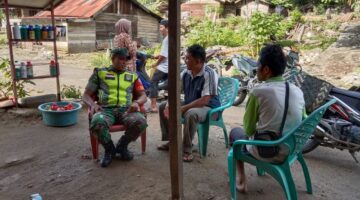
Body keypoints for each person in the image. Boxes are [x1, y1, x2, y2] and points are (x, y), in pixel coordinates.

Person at [229, 44, 305, 192]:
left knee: (235, 132)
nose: (256, 69)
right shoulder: (297, 91)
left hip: (268, 152)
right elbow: (302, 119)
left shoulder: (259, 92)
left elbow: (249, 130)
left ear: (266, 70)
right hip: (291, 149)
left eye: (258, 65)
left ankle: (241, 180)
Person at [82, 47, 148, 168]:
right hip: (106, 110)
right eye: (121, 59)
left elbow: (143, 95)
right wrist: (93, 104)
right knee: (97, 123)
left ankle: (122, 147)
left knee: (141, 122)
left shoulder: (132, 75)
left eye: (126, 59)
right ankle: (109, 150)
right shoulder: (100, 73)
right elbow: (86, 95)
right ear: (113, 59)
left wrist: (137, 103)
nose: (124, 62)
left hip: (127, 110)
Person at [157, 44, 221, 162]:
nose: (185, 61)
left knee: (190, 113)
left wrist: (183, 108)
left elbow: (204, 100)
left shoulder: (209, 74)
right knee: (162, 106)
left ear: (198, 61)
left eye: (188, 58)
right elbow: (176, 90)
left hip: (210, 109)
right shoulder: (186, 72)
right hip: (191, 103)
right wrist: (168, 104)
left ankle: (187, 149)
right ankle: (172, 141)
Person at [149, 19, 169, 112]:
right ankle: (167, 105)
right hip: (169, 66)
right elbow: (165, 54)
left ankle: (153, 106)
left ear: (167, 28)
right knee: (168, 85)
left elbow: (164, 56)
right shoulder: (169, 38)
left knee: (153, 82)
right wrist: (157, 56)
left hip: (164, 67)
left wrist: (155, 64)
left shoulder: (166, 40)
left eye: (161, 27)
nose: (160, 29)